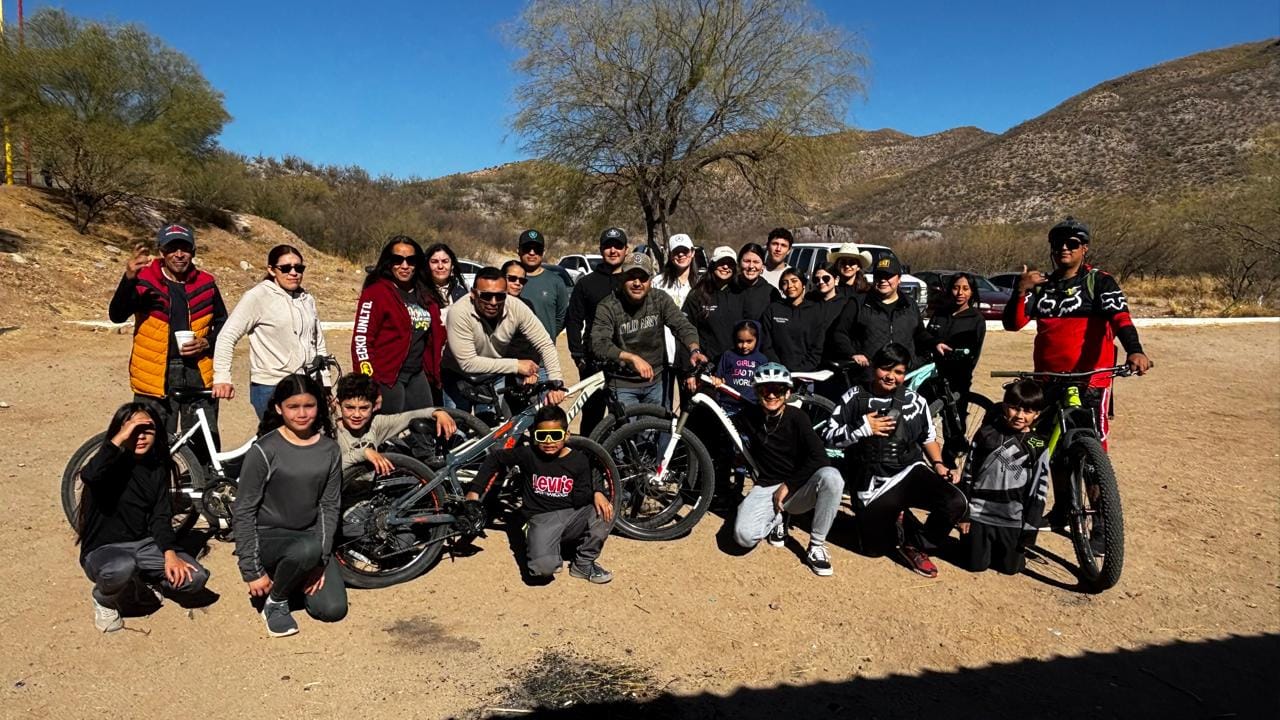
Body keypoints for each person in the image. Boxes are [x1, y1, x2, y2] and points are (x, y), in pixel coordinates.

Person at [1002, 216, 1152, 450]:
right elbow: (1013, 324)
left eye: (1071, 243)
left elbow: (1121, 319)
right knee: (1049, 446)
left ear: (1084, 248)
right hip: (1048, 379)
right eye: (1058, 243)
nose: (1064, 248)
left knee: (1092, 446)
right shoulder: (1041, 285)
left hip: (1091, 380)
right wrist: (1020, 291)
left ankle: (1098, 487)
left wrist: (1135, 350)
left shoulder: (1100, 282)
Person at [823, 343, 968, 579]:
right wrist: (863, 428)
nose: (891, 377)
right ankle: (897, 517)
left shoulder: (915, 401)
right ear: (874, 368)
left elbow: (928, 437)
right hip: (872, 485)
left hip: (908, 472)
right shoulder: (854, 397)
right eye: (885, 369)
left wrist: (939, 464)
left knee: (955, 502)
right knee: (873, 550)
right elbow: (829, 436)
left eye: (899, 372)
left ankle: (917, 545)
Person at [76, 402, 211, 633]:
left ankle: (144, 579)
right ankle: (104, 598)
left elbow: (161, 517)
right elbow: (89, 476)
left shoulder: (157, 467)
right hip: (105, 548)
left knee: (196, 577)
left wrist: (170, 555)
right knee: (121, 567)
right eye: (133, 431)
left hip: (145, 545)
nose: (140, 437)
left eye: (147, 430)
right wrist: (119, 438)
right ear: (121, 431)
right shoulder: (107, 465)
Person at [231, 374, 346, 638]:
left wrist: (321, 560)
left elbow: (329, 506)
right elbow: (245, 510)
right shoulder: (264, 450)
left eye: (309, 405)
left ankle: (292, 574)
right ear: (278, 408)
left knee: (332, 608)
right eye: (293, 407)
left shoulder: (330, 450)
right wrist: (251, 570)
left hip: (310, 539)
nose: (302, 414)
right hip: (270, 537)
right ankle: (277, 601)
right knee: (306, 549)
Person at [109, 222, 227, 449]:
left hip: (198, 368)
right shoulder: (146, 280)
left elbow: (223, 323)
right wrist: (129, 279)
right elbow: (117, 315)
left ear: (193, 252)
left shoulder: (206, 283)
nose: (179, 255)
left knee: (202, 433)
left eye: (185, 248)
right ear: (162, 252)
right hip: (154, 370)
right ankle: (157, 482)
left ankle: (203, 480)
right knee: (154, 435)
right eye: (172, 248)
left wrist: (206, 342)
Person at [465, 405, 615, 583]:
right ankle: (539, 541)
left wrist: (597, 492)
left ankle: (583, 563)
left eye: (556, 435)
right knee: (542, 571)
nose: (549, 441)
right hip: (540, 518)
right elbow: (495, 458)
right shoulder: (529, 454)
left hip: (571, 514)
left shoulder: (579, 459)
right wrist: (474, 491)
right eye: (542, 436)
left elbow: (590, 480)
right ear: (535, 436)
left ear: (566, 435)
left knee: (605, 511)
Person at [732, 363, 844, 577]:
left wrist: (788, 485)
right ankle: (778, 519)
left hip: (797, 486)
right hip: (766, 484)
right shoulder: (749, 415)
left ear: (788, 392)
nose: (772, 394)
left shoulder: (797, 417)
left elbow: (820, 457)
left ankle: (817, 545)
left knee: (832, 478)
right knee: (743, 537)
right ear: (757, 391)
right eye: (766, 389)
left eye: (779, 389)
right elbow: (723, 421)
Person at [213, 244, 331, 418]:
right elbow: (227, 336)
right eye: (285, 268)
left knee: (306, 442)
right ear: (272, 270)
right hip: (271, 386)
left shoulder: (307, 299)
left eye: (299, 268)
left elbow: (318, 342)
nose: (293, 273)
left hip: (306, 384)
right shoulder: (258, 297)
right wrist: (222, 377)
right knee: (277, 442)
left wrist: (325, 381)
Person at [442, 267, 567, 411]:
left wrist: (556, 382)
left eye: (500, 296)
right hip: (458, 375)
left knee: (491, 427)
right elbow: (468, 363)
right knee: (457, 428)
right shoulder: (459, 312)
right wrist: (516, 366)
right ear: (473, 294)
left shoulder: (516, 307)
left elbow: (545, 343)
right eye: (486, 296)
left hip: (492, 375)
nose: (494, 302)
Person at [592, 252, 707, 407]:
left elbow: (682, 325)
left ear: (651, 281)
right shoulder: (608, 306)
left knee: (655, 428)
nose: (637, 283)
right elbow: (599, 344)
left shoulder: (660, 299)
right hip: (623, 383)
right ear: (622, 278)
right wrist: (631, 358)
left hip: (656, 381)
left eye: (643, 278)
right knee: (628, 430)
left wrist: (694, 349)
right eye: (632, 277)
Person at [960, 378, 1049, 574]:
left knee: (1010, 569)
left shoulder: (1038, 445)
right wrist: (964, 514)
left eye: (1028, 411)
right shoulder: (986, 434)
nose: (1019, 415)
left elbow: (1039, 490)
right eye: (1014, 408)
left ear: (1037, 414)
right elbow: (968, 473)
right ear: (1004, 406)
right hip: (979, 515)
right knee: (975, 566)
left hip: (1012, 519)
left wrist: (1030, 529)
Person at [351, 236, 447, 414]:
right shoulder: (376, 293)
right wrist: (369, 385)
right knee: (389, 433)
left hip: (417, 374)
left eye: (411, 260)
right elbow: (361, 341)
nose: (405, 265)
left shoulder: (425, 294)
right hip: (386, 376)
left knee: (425, 429)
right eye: (398, 260)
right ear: (388, 262)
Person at [830, 254, 938, 383]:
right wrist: (852, 354)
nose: (883, 280)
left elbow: (920, 334)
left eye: (888, 276)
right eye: (879, 276)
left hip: (903, 377)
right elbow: (839, 333)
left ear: (899, 279)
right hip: (868, 377)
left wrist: (936, 343)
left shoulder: (910, 305)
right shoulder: (858, 303)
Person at [566, 227, 630, 435]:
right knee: (592, 416)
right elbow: (573, 321)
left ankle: (620, 464)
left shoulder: (634, 282)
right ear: (601, 249)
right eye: (608, 246)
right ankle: (588, 458)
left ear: (626, 250)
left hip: (625, 361)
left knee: (624, 416)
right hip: (593, 361)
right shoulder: (586, 283)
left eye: (618, 246)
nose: (613, 251)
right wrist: (578, 356)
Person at [332, 372, 456, 473]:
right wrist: (363, 452)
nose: (357, 415)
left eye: (364, 408)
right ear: (338, 405)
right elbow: (326, 469)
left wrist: (437, 412)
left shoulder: (375, 423)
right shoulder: (330, 432)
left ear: (374, 406)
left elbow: (408, 416)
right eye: (350, 408)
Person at [926, 272, 987, 429]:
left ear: (972, 291)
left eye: (965, 288)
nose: (960, 293)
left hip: (957, 380)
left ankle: (954, 452)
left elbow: (974, 354)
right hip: (931, 377)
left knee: (954, 425)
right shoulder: (939, 314)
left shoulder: (976, 319)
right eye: (956, 288)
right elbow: (926, 338)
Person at [653, 233, 697, 406]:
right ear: (670, 255)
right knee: (663, 407)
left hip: (689, 356)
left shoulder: (700, 284)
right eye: (676, 252)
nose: (681, 255)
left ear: (692, 253)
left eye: (685, 251)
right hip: (663, 356)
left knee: (690, 406)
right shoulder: (658, 283)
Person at [682, 246, 744, 367]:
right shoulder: (697, 294)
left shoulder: (740, 293)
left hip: (735, 365)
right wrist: (689, 371)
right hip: (705, 365)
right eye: (721, 263)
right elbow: (686, 330)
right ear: (712, 264)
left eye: (730, 264)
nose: (725, 267)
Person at [762, 267, 826, 373]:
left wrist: (801, 370)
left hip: (807, 374)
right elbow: (767, 344)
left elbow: (817, 347)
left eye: (794, 281)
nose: (790, 286)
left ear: (803, 284)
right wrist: (779, 368)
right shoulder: (773, 309)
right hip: (777, 372)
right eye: (785, 283)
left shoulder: (815, 311)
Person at [516, 229, 569, 340]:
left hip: (544, 352)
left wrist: (548, 335)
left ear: (543, 252)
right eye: (527, 248)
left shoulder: (556, 282)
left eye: (537, 249)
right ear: (518, 250)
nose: (532, 252)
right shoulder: (507, 279)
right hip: (512, 352)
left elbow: (562, 317)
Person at [713, 320, 769, 416]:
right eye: (740, 341)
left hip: (751, 407)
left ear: (757, 339)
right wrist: (717, 381)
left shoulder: (762, 359)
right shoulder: (728, 355)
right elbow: (718, 376)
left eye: (749, 341)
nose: (744, 346)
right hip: (727, 405)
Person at [736, 242, 781, 321]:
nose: (751, 266)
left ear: (763, 266)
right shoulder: (728, 288)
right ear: (739, 263)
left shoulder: (771, 293)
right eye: (747, 261)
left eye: (756, 262)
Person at [424, 242, 469, 322]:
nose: (440, 266)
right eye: (434, 261)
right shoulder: (419, 293)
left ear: (452, 266)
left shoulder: (462, 293)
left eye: (445, 261)